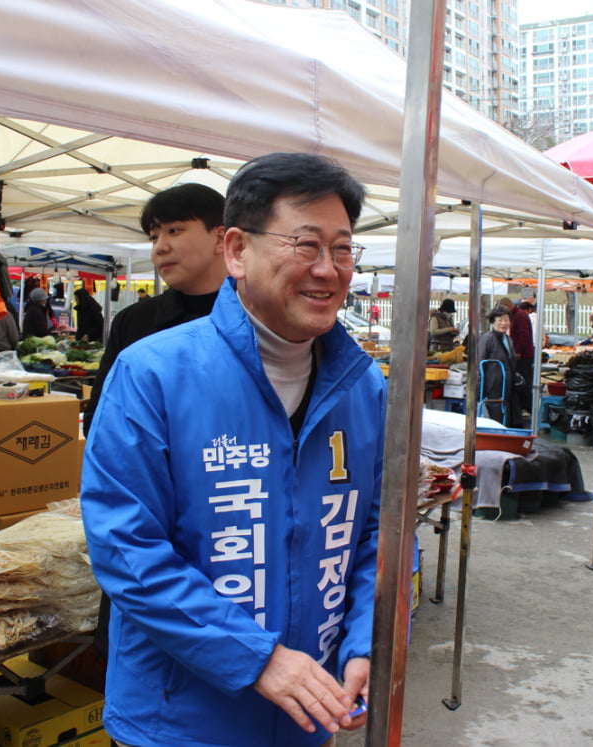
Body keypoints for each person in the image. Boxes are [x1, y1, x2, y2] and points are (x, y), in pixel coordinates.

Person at [81, 153, 384, 747]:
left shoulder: (366, 387)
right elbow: (126, 548)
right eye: (306, 245)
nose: (328, 270)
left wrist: (364, 644)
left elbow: (378, 532)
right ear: (238, 251)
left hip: (309, 715)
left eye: (343, 249)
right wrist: (259, 658)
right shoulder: (151, 374)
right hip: (178, 724)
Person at [84, 182, 229, 437]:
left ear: (220, 238)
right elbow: (100, 422)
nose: (160, 247)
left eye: (174, 230)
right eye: (154, 237)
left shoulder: (263, 318)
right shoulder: (134, 321)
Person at [476, 305, 520, 427]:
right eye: (499, 320)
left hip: (506, 385)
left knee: (507, 417)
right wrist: (479, 388)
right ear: (492, 322)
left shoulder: (508, 339)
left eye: (506, 320)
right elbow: (479, 363)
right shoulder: (487, 338)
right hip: (492, 387)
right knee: (495, 420)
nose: (503, 323)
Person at [509, 301, 536, 414]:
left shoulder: (520, 316)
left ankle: (527, 408)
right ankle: (522, 407)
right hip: (522, 354)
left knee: (523, 382)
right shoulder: (517, 315)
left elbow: (523, 335)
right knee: (522, 382)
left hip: (523, 356)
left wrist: (518, 351)